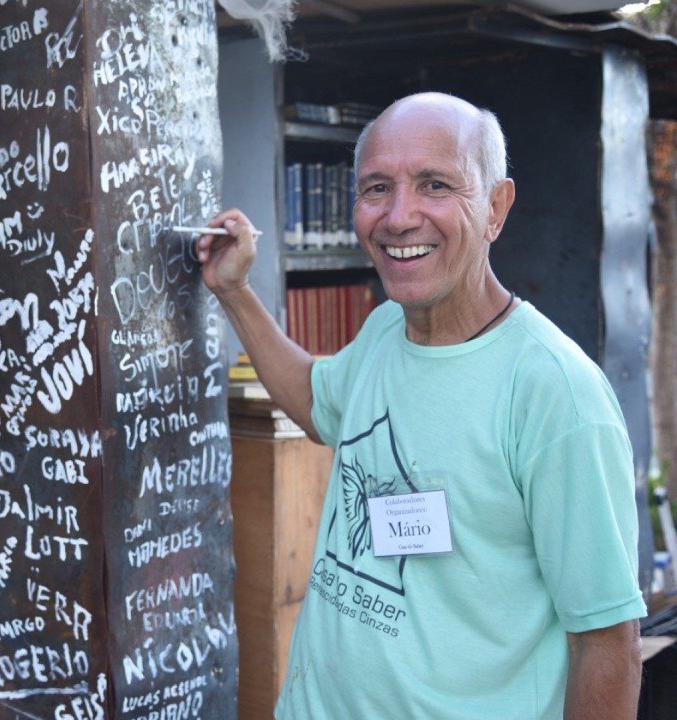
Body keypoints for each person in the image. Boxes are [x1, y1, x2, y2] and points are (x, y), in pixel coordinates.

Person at [198, 92, 646, 718]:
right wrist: (235, 291)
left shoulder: (555, 395)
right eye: (376, 188)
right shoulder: (386, 329)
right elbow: (314, 400)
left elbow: (607, 643)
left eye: (435, 185)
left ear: (496, 208)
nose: (399, 216)